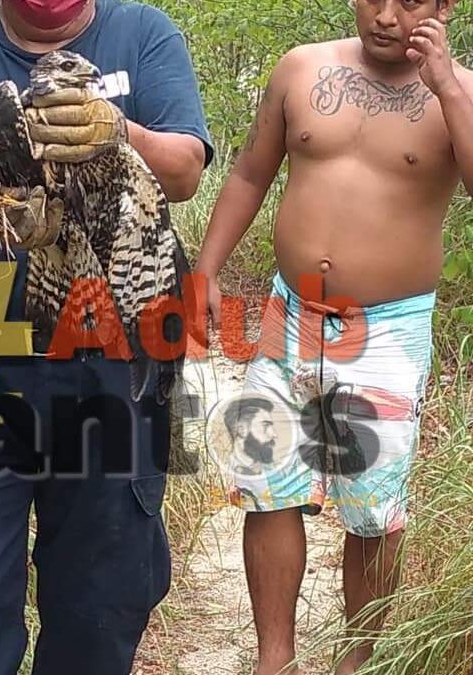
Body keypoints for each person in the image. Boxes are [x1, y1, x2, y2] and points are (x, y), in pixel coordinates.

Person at [0, 0, 212, 673]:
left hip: (110, 348)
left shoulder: (144, 33)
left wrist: (119, 130)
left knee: (102, 600)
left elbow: (183, 167)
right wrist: (0, 213)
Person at [195, 0, 473, 673]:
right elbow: (250, 173)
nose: (386, 15)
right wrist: (204, 267)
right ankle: (274, 660)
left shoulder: (460, 91)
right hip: (292, 313)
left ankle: (358, 660)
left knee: (373, 508)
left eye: (410, 2)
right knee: (268, 484)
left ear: (444, 7)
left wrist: (445, 87)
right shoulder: (301, 68)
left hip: (386, 327)